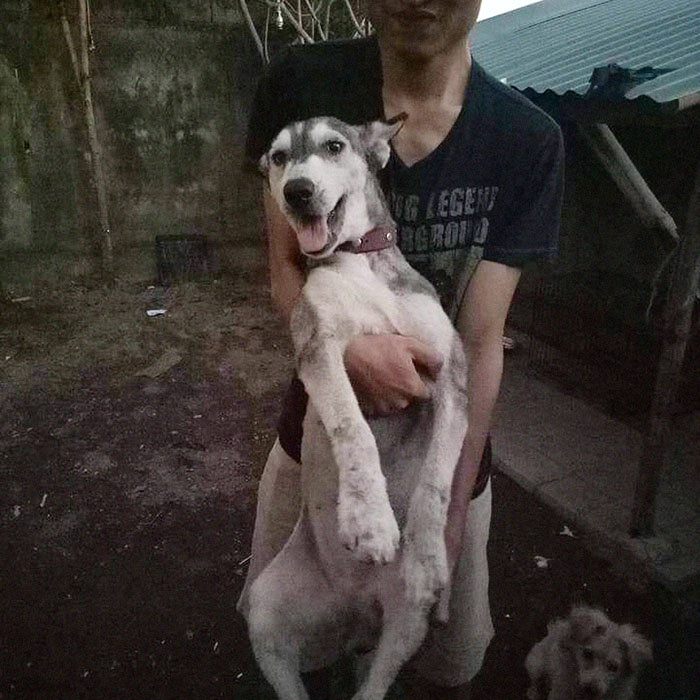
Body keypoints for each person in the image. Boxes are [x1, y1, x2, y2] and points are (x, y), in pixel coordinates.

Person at [238, 0, 564, 697]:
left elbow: (480, 342)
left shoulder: (526, 138)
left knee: (436, 654)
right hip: (319, 443)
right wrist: (352, 356)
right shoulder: (300, 82)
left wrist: (447, 514)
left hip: (442, 458)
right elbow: (286, 275)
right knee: (287, 634)